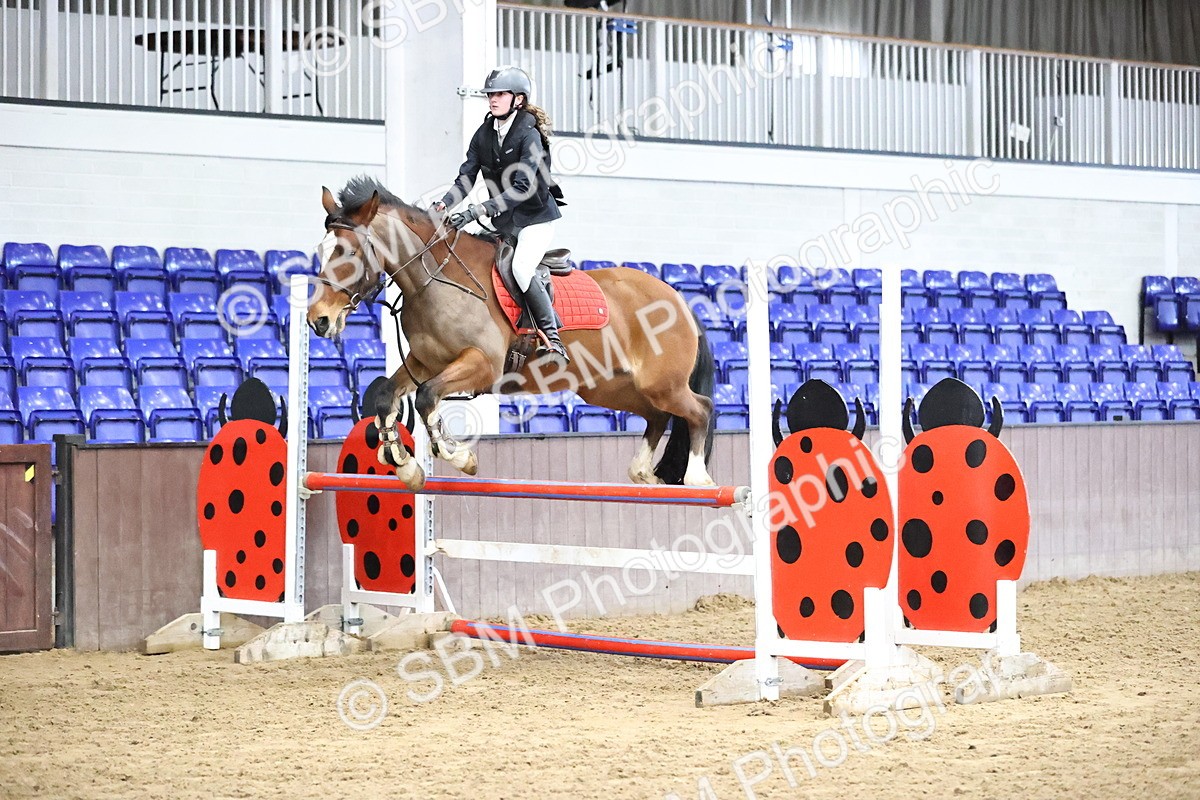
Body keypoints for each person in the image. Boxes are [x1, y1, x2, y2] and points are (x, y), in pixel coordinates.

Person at [434, 66, 569, 365]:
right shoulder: (483, 135)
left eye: (500, 94)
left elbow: (522, 188)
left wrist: (478, 210)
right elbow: (466, 179)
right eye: (491, 95)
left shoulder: (529, 136)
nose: (493, 100)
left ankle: (553, 338)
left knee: (521, 267)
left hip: (535, 219)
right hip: (506, 221)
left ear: (518, 100)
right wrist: (444, 204)